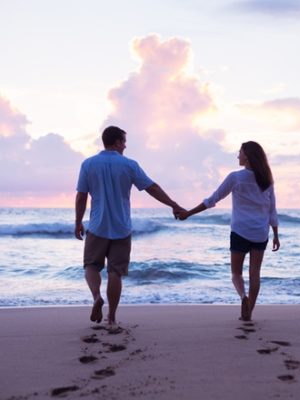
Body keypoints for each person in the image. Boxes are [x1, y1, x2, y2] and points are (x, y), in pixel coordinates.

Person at [75, 126, 184, 325]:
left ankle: (97, 297)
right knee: (115, 272)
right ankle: (112, 317)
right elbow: (152, 188)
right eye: (124, 142)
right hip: (122, 228)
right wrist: (173, 204)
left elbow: (81, 196)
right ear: (116, 142)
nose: (125, 145)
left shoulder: (88, 164)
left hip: (97, 226)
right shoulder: (129, 165)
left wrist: (78, 222)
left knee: (91, 266)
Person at [177, 141, 280, 321]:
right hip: (260, 233)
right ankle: (250, 312)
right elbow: (272, 210)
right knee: (255, 273)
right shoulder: (266, 180)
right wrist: (276, 235)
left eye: (239, 152)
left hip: (240, 230)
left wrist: (189, 213)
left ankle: (243, 297)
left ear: (247, 155)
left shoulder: (235, 177)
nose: (237, 156)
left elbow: (212, 200)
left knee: (236, 274)